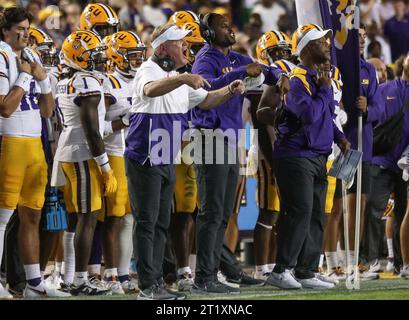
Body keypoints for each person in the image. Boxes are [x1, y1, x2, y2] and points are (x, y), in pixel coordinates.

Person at [124, 23, 245, 300]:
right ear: (164, 47)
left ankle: (155, 282)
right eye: (181, 43)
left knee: (161, 222)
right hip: (145, 157)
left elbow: (204, 101)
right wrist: (182, 78)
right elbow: (150, 90)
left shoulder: (176, 75)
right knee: (147, 222)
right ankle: (147, 286)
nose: (186, 47)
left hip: (166, 157)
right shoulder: (150, 70)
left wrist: (229, 90)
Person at [190, 13, 288, 294]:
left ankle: (223, 270)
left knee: (223, 213)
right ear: (208, 33)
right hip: (209, 137)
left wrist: (280, 76)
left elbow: (266, 70)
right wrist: (242, 73)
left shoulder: (237, 57)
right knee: (211, 212)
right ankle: (204, 277)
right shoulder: (205, 58)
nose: (230, 29)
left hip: (231, 140)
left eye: (229, 25)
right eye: (222, 26)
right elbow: (206, 87)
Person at [266, 24, 350, 290]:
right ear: (307, 49)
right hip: (295, 155)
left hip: (317, 154)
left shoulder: (318, 77)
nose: (327, 45)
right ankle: (281, 269)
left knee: (316, 214)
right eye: (321, 42)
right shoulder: (298, 79)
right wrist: (325, 88)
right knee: (299, 210)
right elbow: (309, 115)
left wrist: (339, 138)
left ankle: (306, 270)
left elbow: (325, 117)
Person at [53, 30, 117, 296]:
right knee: (87, 217)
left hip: (72, 149)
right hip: (82, 152)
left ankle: (70, 277)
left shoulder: (70, 79)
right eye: (93, 55)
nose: (100, 58)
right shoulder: (84, 81)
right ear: (78, 56)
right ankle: (79, 279)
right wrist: (105, 166)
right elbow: (92, 130)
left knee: (77, 218)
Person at [0, 7, 55, 298]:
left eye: (26, 28)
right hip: (9, 140)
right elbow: (6, 108)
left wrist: (42, 78)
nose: (24, 34)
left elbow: (47, 111)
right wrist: (24, 78)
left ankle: (34, 283)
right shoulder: (1, 55)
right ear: (6, 31)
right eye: (18, 29)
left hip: (34, 142)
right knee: (2, 217)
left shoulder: (31, 55)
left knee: (31, 215)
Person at [102, 30, 146, 294]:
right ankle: (110, 276)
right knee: (114, 217)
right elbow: (98, 127)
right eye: (131, 56)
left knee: (130, 217)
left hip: (136, 152)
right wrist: (126, 120)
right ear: (116, 56)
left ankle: (122, 273)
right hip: (114, 152)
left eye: (139, 55)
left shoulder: (142, 78)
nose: (137, 61)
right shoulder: (108, 82)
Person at [361, 53, 409, 274]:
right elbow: (371, 117)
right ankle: (369, 261)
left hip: (406, 163)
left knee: (402, 213)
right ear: (402, 63)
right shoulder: (385, 89)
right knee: (373, 210)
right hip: (381, 160)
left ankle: (400, 263)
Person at [343, 25, 384, 280]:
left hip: (364, 146)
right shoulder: (340, 67)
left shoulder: (368, 69)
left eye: (364, 38)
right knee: (342, 205)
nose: (361, 42)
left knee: (361, 202)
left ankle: (356, 259)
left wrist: (367, 108)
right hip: (343, 145)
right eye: (357, 38)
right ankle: (340, 258)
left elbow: (379, 108)